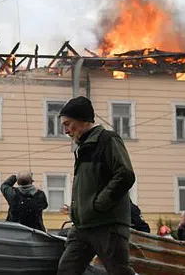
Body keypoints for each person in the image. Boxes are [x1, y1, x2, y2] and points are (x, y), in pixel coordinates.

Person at [56, 96, 136, 275]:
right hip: (82, 226)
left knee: (119, 271)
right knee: (66, 270)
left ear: (83, 120)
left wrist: (98, 205)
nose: (66, 130)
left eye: (68, 124)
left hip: (108, 226)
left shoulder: (107, 139)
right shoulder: (83, 146)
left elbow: (125, 175)